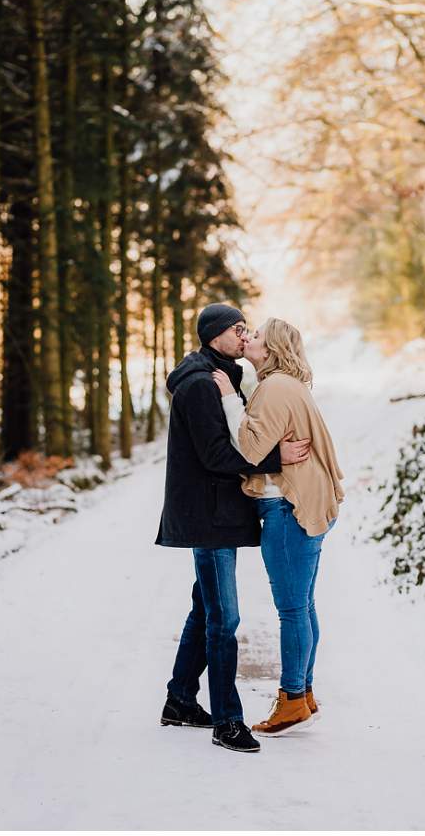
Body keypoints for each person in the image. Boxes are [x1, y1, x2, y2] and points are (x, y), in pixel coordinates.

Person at [157, 303, 311, 754]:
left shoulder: (221, 374)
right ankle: (227, 721)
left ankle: (181, 699)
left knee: (205, 611)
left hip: (215, 511)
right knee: (225, 618)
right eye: (237, 329)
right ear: (214, 336)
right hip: (208, 516)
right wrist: (274, 459)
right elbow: (216, 457)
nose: (245, 335)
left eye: (248, 328)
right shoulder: (203, 383)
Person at [212, 317, 345, 738]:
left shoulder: (272, 389)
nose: (248, 338)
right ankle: (302, 693)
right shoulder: (286, 385)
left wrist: (231, 398)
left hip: (289, 508)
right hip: (302, 504)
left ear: (269, 351)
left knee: (292, 609)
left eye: (257, 337)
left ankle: (291, 701)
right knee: (302, 605)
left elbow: (251, 449)